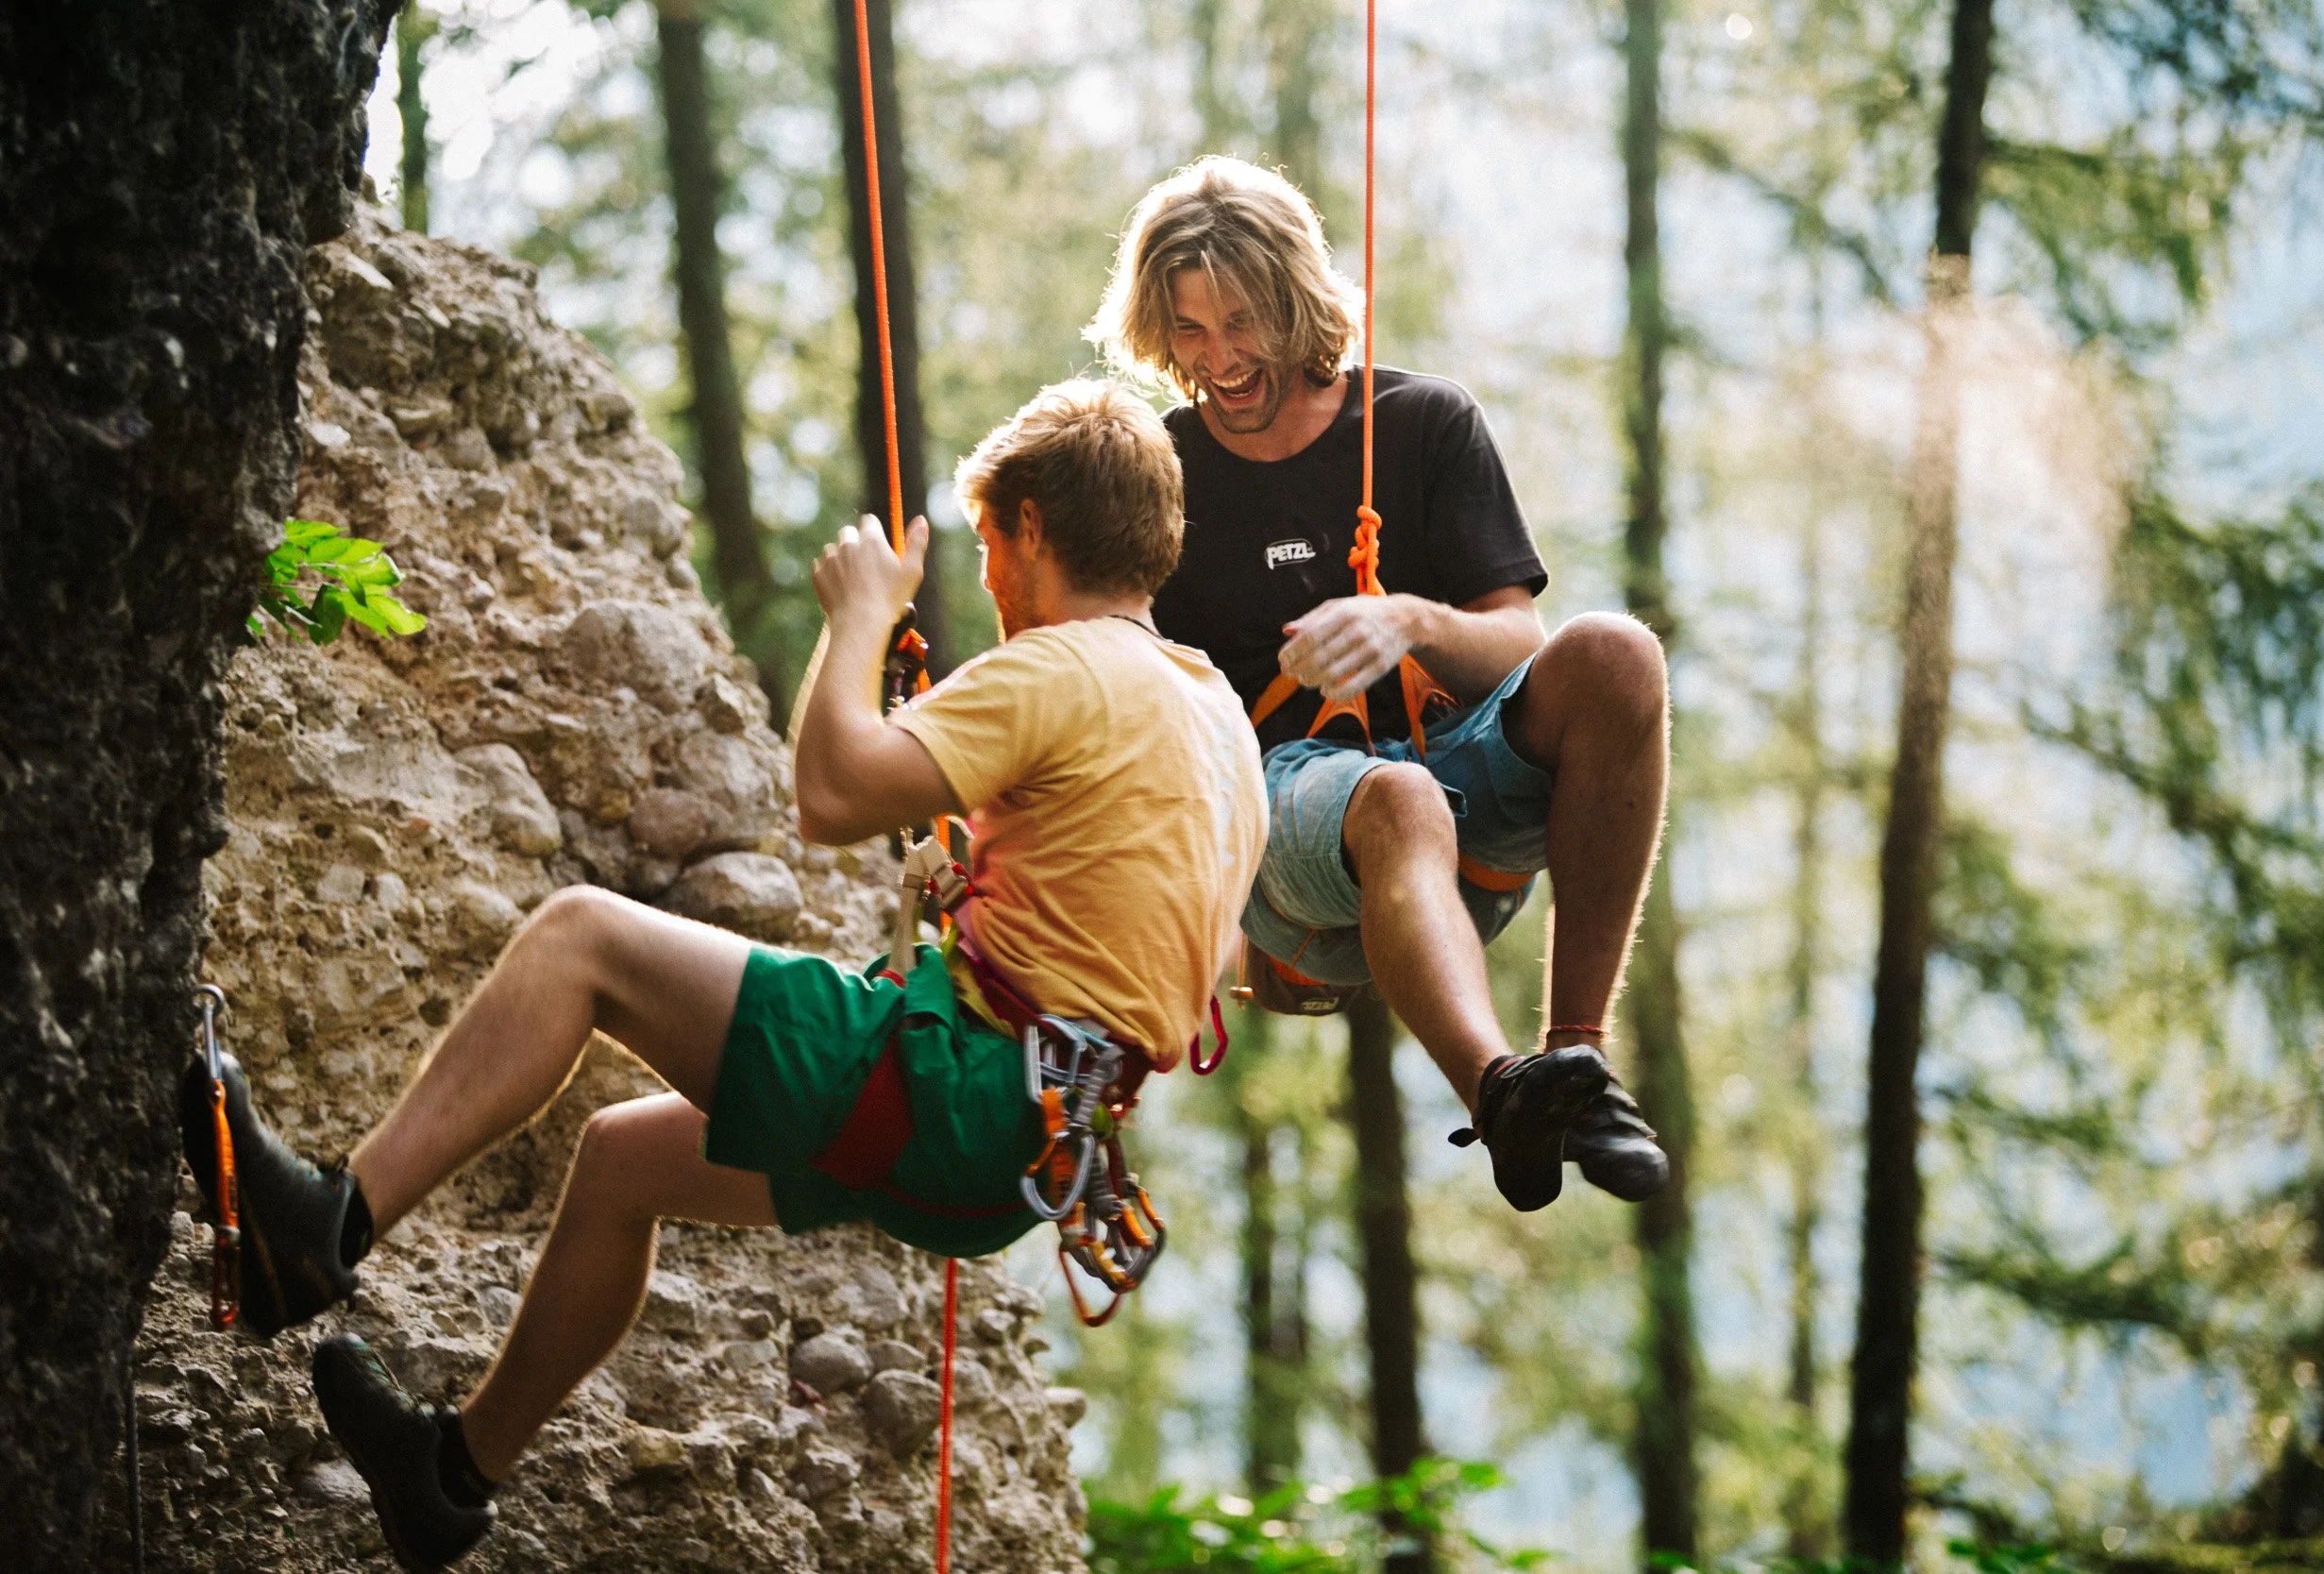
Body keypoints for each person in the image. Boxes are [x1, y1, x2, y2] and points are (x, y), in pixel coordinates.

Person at [181, 380, 1267, 1570]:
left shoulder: (1062, 667)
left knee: (581, 938)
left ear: (1034, 530)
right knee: (624, 1161)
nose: (994, 586)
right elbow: (1209, 949)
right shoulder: (1220, 724)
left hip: (955, 1087)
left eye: (993, 549)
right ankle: (451, 1473)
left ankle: (323, 1227)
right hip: (1034, 1158)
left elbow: (832, 793)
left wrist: (861, 614)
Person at [1088, 156, 1673, 1213]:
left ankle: (1575, 1075)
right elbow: (1121, 698)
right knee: (1391, 797)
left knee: (1617, 652)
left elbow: (1515, 640)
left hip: (1462, 790)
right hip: (1294, 833)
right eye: (1188, 329)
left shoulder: (1419, 424)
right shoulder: (1160, 477)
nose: (1219, 358)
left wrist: (1407, 619)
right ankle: (1499, 1092)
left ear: (1295, 302)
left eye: (1241, 319)